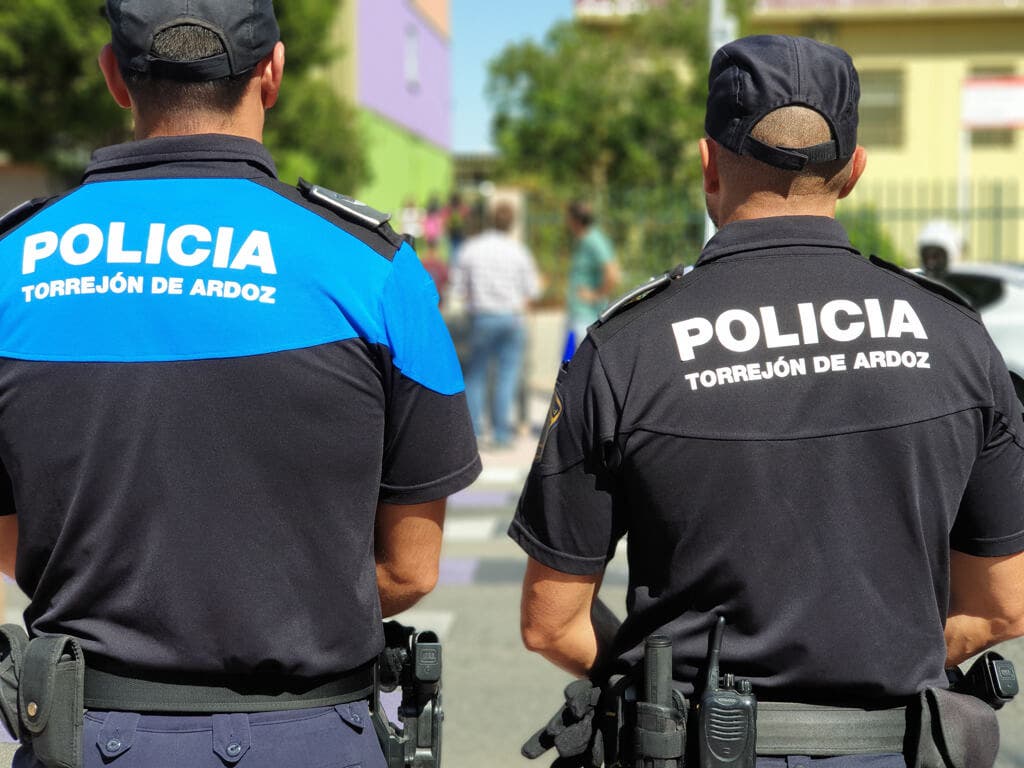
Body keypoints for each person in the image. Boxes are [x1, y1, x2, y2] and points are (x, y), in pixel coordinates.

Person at [511, 34, 1024, 766]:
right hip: (888, 749)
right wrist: (878, 661)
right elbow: (1004, 603)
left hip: (689, 746)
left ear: (707, 162)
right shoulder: (956, 336)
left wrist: (657, 690)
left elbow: (551, 623)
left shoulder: (624, 348)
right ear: (853, 169)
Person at [0, 2, 480, 766]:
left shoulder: (11, 266)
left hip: (87, 734)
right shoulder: (376, 269)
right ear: (275, 71)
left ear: (113, 76)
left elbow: (14, 537)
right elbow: (412, 566)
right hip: (317, 735)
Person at [448, 201, 541, 448]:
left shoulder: (470, 248)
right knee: (507, 376)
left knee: (476, 375)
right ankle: (501, 434)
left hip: (481, 317)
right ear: (512, 223)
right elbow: (532, 289)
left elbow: (457, 289)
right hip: (511, 318)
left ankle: (475, 432)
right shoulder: (519, 251)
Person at [565, 200, 620, 348]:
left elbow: (613, 274)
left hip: (587, 316)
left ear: (575, 220)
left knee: (577, 365)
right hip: (577, 313)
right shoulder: (582, 240)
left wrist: (596, 295)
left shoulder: (594, 240)